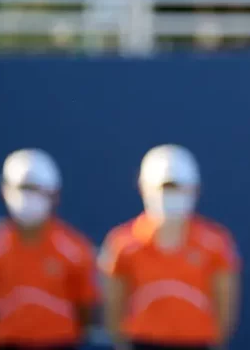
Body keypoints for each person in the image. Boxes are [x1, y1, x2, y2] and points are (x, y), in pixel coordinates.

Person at [99, 145, 241, 350]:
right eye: (164, 187)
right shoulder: (122, 242)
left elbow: (226, 307)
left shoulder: (216, 243)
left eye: (177, 187)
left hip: (198, 343)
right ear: (143, 188)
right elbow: (113, 308)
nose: (170, 195)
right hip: (141, 342)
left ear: (195, 189)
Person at [0, 149, 98, 350]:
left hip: (59, 343)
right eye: (22, 188)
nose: (27, 197)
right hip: (5, 343)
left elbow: (85, 308)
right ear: (5, 190)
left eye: (35, 189)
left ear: (55, 195)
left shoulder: (75, 249)